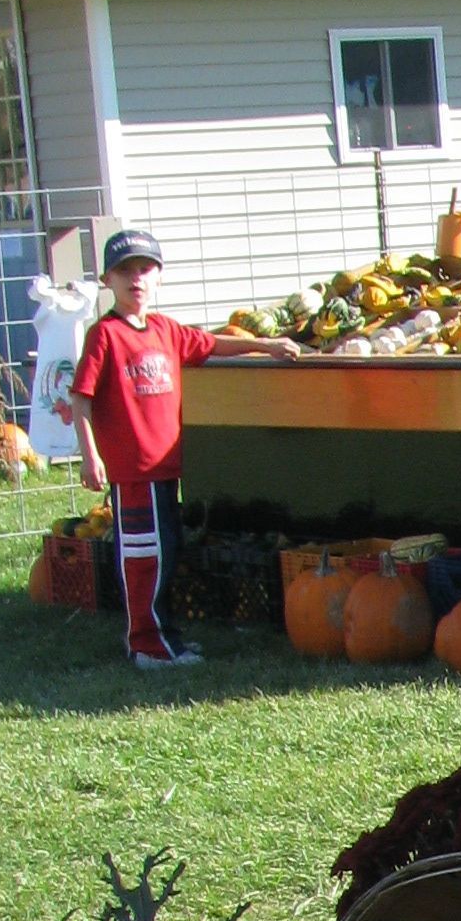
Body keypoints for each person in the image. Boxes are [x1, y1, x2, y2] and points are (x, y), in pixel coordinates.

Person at [69, 230, 297, 667]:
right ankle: (147, 646)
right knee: (144, 561)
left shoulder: (165, 331)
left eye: (144, 269)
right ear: (106, 280)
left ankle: (164, 636)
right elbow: (82, 397)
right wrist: (90, 454)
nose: (135, 279)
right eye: (124, 271)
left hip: (164, 469)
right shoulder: (106, 336)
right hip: (134, 472)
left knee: (166, 554)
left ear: (158, 277)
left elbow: (212, 344)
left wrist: (265, 345)